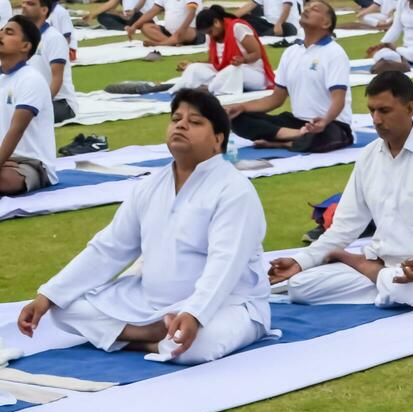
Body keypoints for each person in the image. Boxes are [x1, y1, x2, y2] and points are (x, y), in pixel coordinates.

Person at [17, 90, 274, 364]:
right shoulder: (150, 186)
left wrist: (195, 313)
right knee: (62, 308)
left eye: (195, 122)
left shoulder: (234, 190)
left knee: (199, 347)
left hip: (228, 303)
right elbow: (109, 249)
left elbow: (226, 264)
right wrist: (48, 295)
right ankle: (153, 335)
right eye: (176, 119)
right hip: (147, 303)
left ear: (218, 140)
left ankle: (143, 339)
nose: (181, 125)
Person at [268, 72, 413, 308]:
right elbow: (344, 226)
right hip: (383, 264)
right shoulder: (369, 156)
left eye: (384, 111)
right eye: (372, 111)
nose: (376, 119)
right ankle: (378, 280)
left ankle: (363, 268)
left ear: (410, 109)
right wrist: (301, 261)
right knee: (301, 286)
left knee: (412, 293)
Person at [228, 1, 353, 152]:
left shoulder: (334, 53)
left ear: (326, 23)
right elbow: (276, 99)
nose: (306, 9)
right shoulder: (291, 52)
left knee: (327, 136)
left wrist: (324, 121)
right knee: (238, 118)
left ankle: (281, 142)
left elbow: (338, 99)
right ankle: (297, 135)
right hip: (297, 123)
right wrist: (241, 107)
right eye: (307, 7)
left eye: (314, 9)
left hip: (330, 124)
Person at [0, 16, 55, 196]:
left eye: (8, 32)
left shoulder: (31, 79)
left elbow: (16, 130)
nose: (1, 34)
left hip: (29, 163)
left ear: (25, 46)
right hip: (4, 158)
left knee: (5, 179)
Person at [174, 5, 273, 95]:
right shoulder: (212, 36)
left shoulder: (237, 27)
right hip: (225, 73)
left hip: (253, 73)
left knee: (233, 69)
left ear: (216, 22)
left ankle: (210, 89)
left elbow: (257, 53)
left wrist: (243, 60)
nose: (210, 35)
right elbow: (215, 62)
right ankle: (184, 88)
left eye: (210, 32)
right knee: (194, 68)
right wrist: (194, 64)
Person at [22, 0, 75, 122]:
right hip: (29, 99)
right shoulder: (23, 37)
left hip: (60, 103)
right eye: (24, 2)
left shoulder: (54, 38)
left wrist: (40, 104)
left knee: (17, 118)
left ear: (44, 10)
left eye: (30, 4)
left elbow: (57, 79)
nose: (24, 6)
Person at [129, 0, 201, 46]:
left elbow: (192, 13)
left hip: (189, 31)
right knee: (145, 27)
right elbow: (152, 11)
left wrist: (180, 31)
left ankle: (162, 43)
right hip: (169, 32)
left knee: (182, 32)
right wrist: (134, 26)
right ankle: (170, 42)